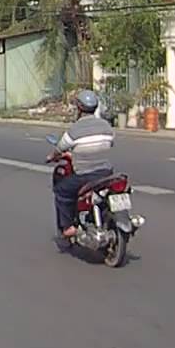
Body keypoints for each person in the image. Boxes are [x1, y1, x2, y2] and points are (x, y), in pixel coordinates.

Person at [48, 89, 116, 239]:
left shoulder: (75, 129)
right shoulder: (106, 126)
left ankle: (68, 227)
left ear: (79, 108)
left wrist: (53, 156)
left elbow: (60, 148)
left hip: (84, 174)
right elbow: (110, 143)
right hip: (106, 172)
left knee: (61, 191)